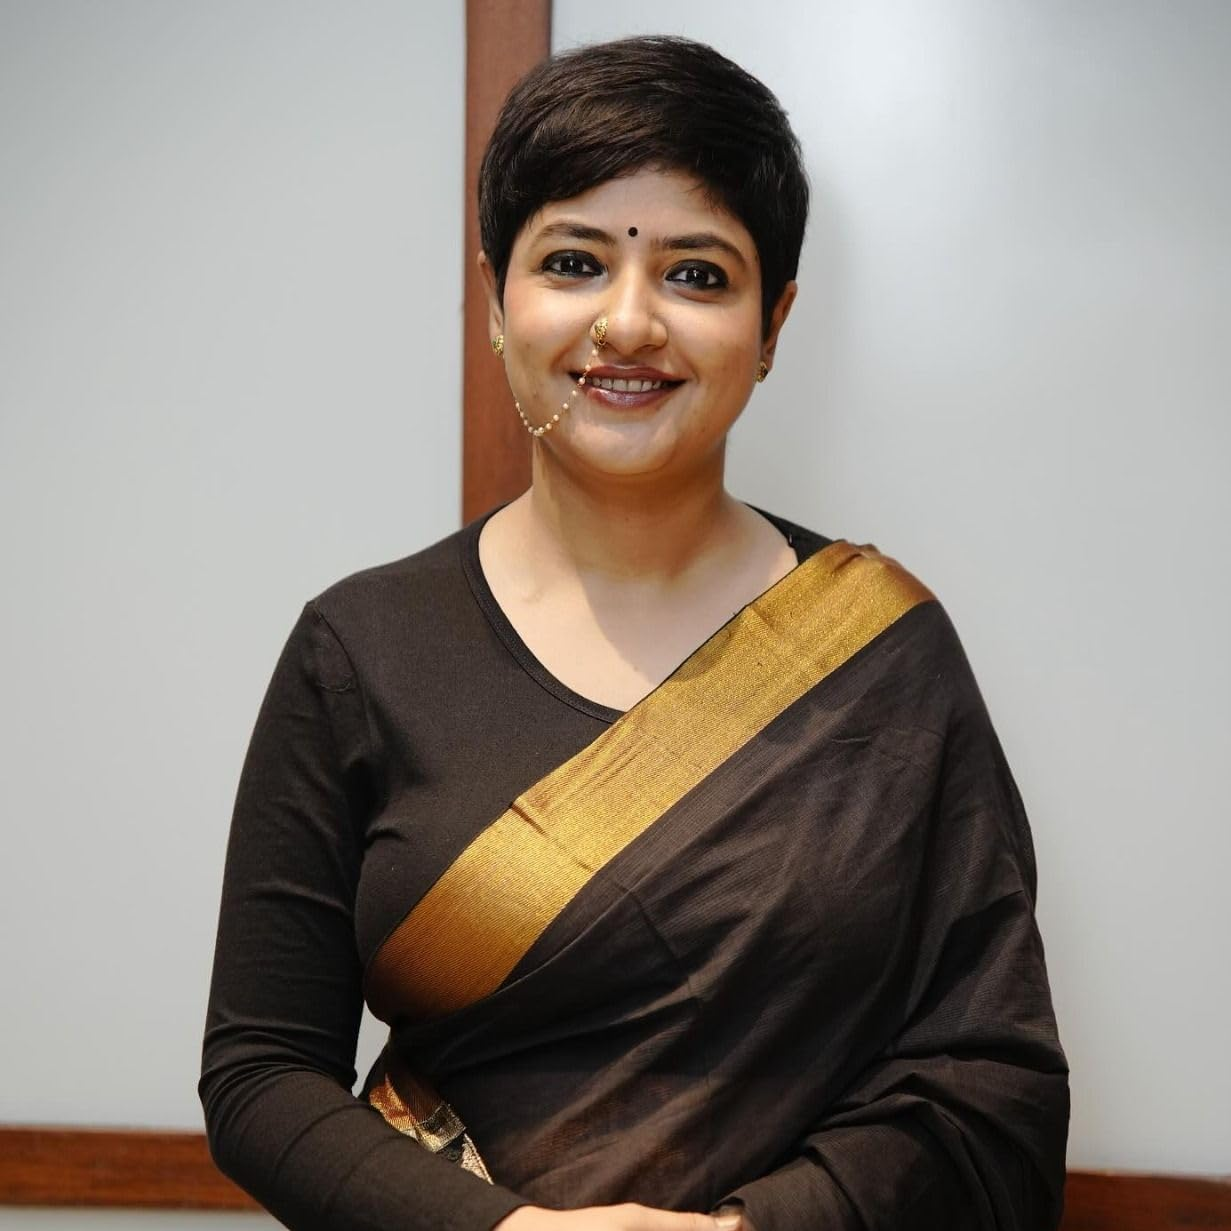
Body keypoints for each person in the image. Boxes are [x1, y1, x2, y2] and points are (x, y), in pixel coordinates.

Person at [200, 34, 1069, 1231]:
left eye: (696, 275)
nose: (627, 322)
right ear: (495, 299)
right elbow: (260, 1076)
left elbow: (992, 1079)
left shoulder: (883, 653)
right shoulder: (360, 650)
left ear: (773, 324)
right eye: (572, 262)